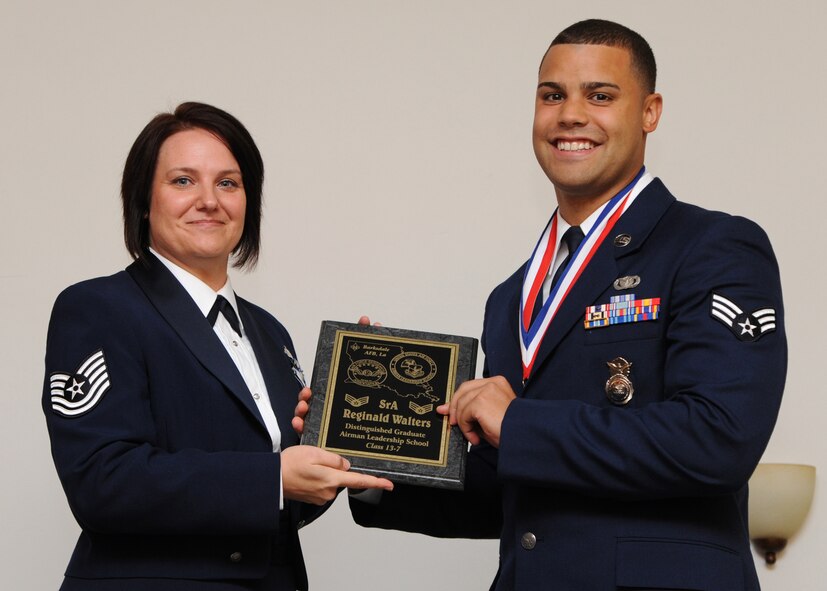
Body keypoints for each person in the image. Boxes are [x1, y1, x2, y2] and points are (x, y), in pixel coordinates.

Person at [338, 19, 786, 590]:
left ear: (650, 112)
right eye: (553, 95)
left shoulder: (713, 246)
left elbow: (718, 439)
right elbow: (526, 493)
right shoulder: (512, 295)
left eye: (600, 95)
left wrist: (519, 423)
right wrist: (377, 453)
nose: (570, 115)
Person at [42, 102, 392, 591]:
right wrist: (272, 478)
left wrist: (354, 444)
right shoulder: (99, 308)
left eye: (228, 183)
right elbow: (102, 481)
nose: (209, 200)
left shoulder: (270, 334)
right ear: (144, 200)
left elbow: (284, 504)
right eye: (183, 181)